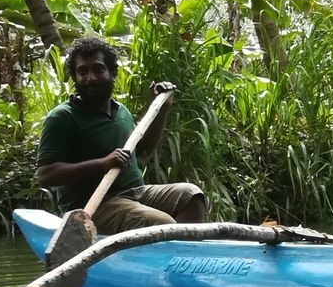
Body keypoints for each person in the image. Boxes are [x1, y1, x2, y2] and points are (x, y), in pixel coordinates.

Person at [35, 35, 208, 233]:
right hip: (95, 205)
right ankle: (172, 252)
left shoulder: (121, 111)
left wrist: (161, 111)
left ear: (112, 72)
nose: (90, 77)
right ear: (74, 78)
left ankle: (186, 254)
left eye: (98, 69)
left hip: (135, 193)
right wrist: (102, 163)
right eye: (82, 71)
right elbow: (45, 174)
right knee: (161, 223)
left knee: (191, 195)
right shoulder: (62, 117)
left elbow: (143, 151)